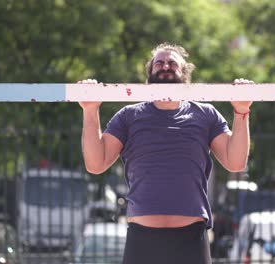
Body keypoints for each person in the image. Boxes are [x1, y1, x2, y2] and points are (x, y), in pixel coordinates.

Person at [78, 43, 253, 264]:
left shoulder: (206, 114)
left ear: (185, 75)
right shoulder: (128, 116)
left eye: (172, 63)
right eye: (159, 63)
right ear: (149, 76)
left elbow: (235, 162)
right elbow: (96, 164)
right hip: (143, 237)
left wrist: (241, 110)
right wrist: (90, 110)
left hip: (190, 238)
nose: (165, 66)